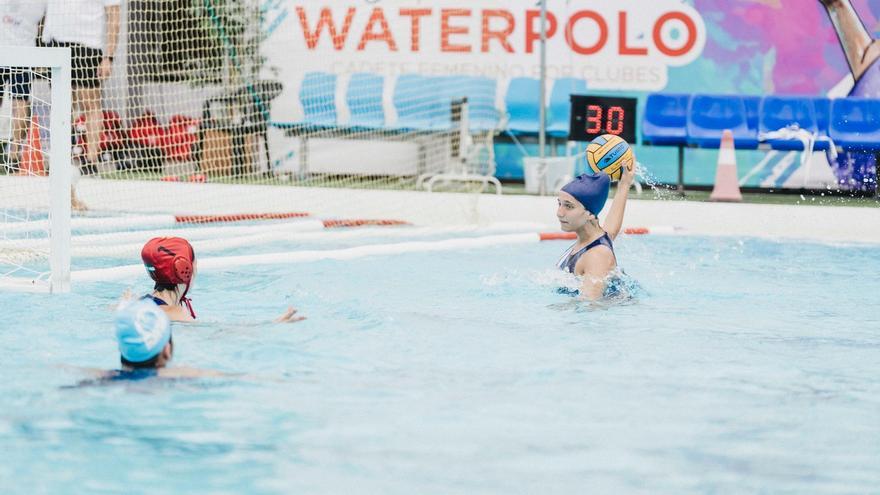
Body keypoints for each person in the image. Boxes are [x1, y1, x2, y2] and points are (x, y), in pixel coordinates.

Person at [140, 236, 305, 323]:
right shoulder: (176, 314)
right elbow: (218, 332)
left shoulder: (138, 303)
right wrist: (273, 323)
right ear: (184, 270)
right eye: (194, 262)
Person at [555, 161, 636, 300]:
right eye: (559, 203)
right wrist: (624, 183)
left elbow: (590, 306)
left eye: (568, 206)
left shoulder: (597, 256)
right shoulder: (597, 238)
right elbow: (612, 226)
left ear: (591, 214)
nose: (559, 213)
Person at [0, 0, 46, 171]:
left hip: (15, 52)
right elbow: (44, 24)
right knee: (20, 103)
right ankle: (13, 154)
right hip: (24, 53)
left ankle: (13, 154)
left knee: (20, 104)